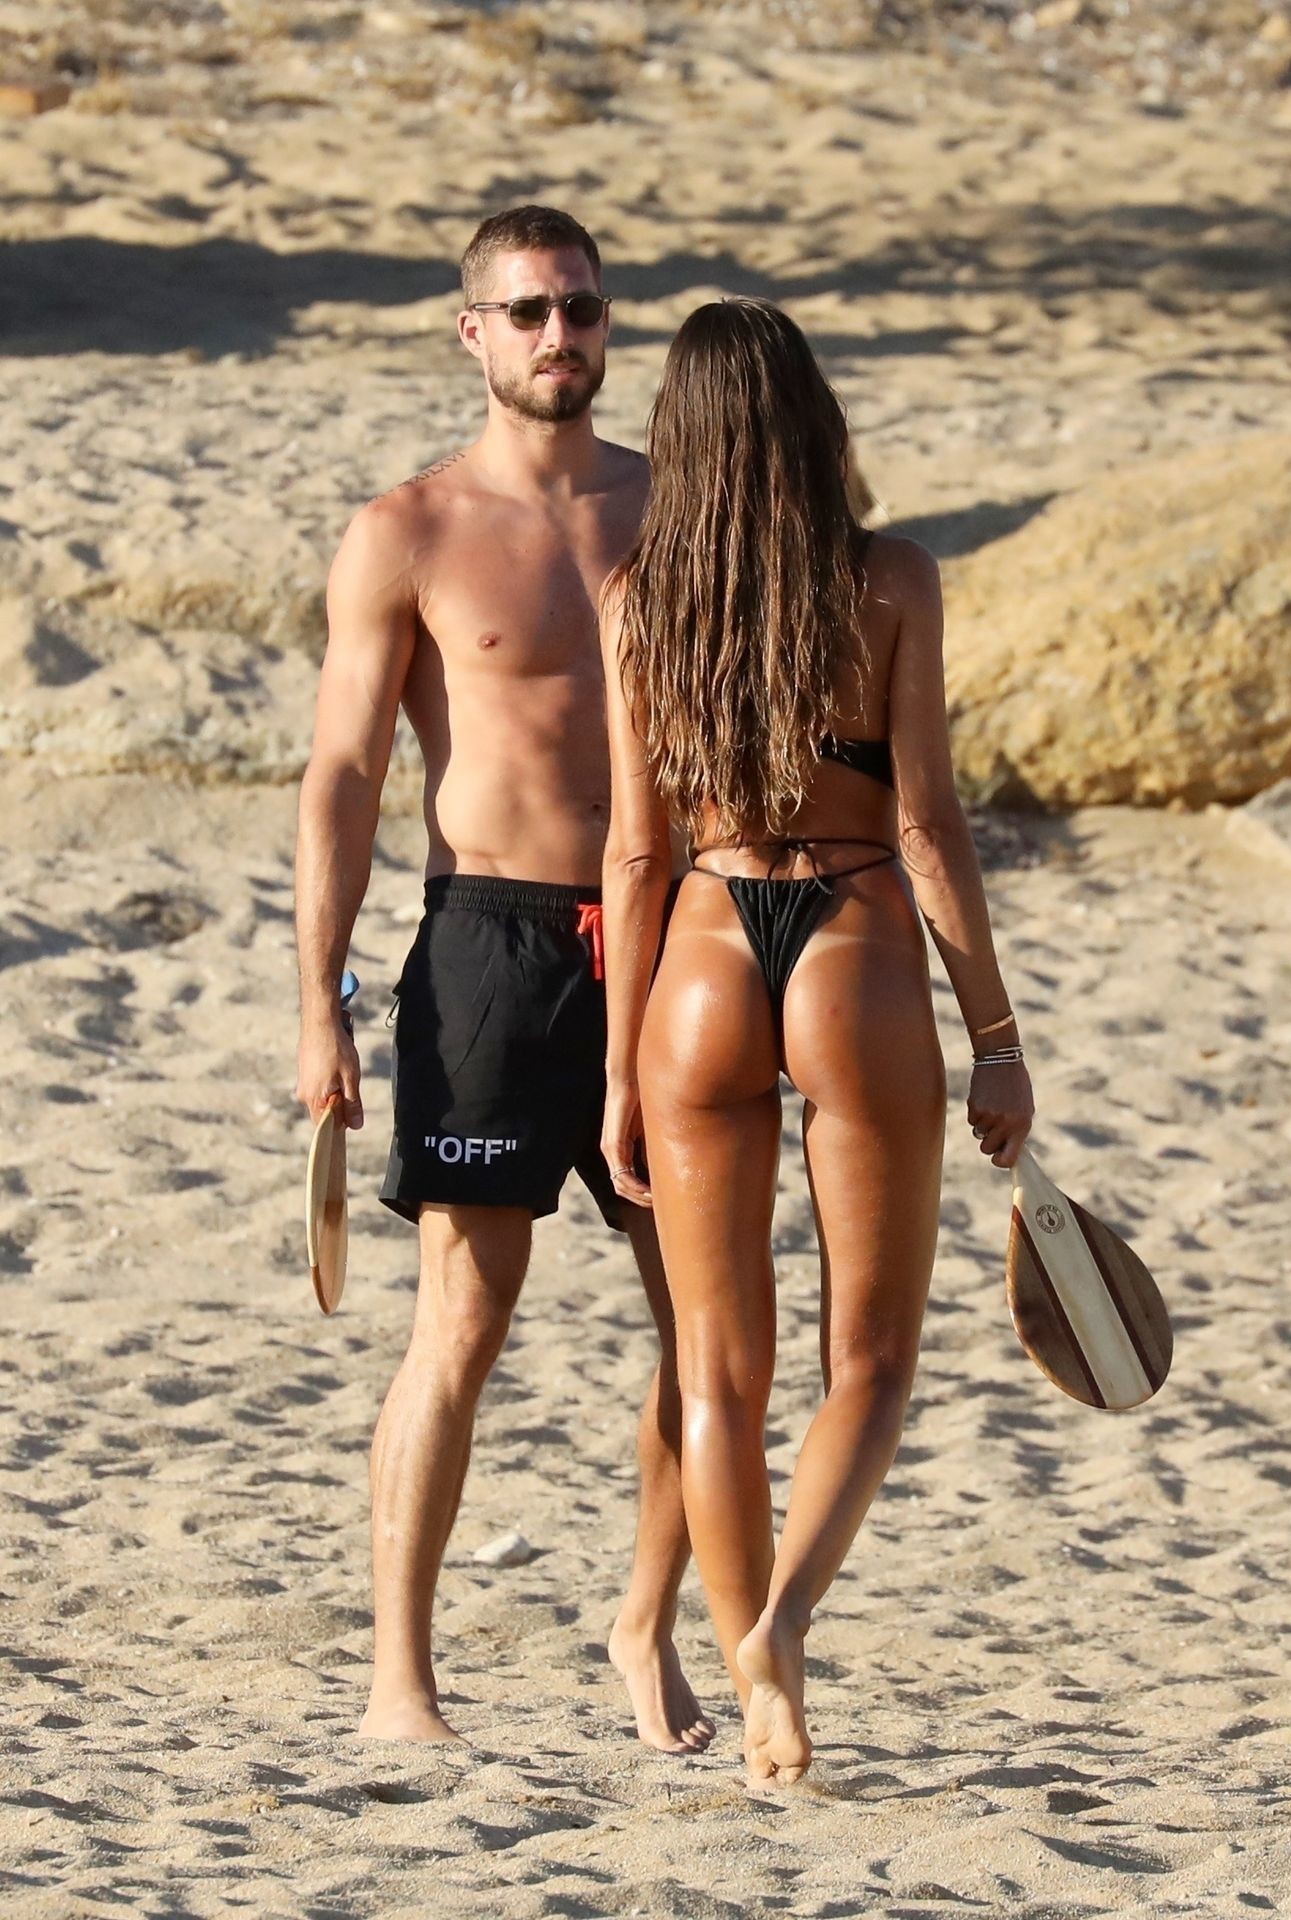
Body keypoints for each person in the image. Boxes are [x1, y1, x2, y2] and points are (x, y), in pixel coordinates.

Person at [598, 299, 1034, 1784]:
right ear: (812, 420)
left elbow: (635, 856)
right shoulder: (890, 579)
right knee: (873, 1356)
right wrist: (995, 1038)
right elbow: (925, 825)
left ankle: (749, 1679)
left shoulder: (638, 599)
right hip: (852, 938)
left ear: (679, 440)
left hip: (705, 953)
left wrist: (620, 1070)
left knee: (717, 1370)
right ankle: (782, 1624)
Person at [294, 206, 711, 1753]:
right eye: (528, 311)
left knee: (708, 1325)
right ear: (471, 331)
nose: (559, 337)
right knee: (460, 1320)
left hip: (677, 938)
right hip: (489, 944)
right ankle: (399, 1679)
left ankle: (643, 1629)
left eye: (581, 310)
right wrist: (321, 999)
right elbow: (343, 773)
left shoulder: (678, 511)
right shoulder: (405, 531)